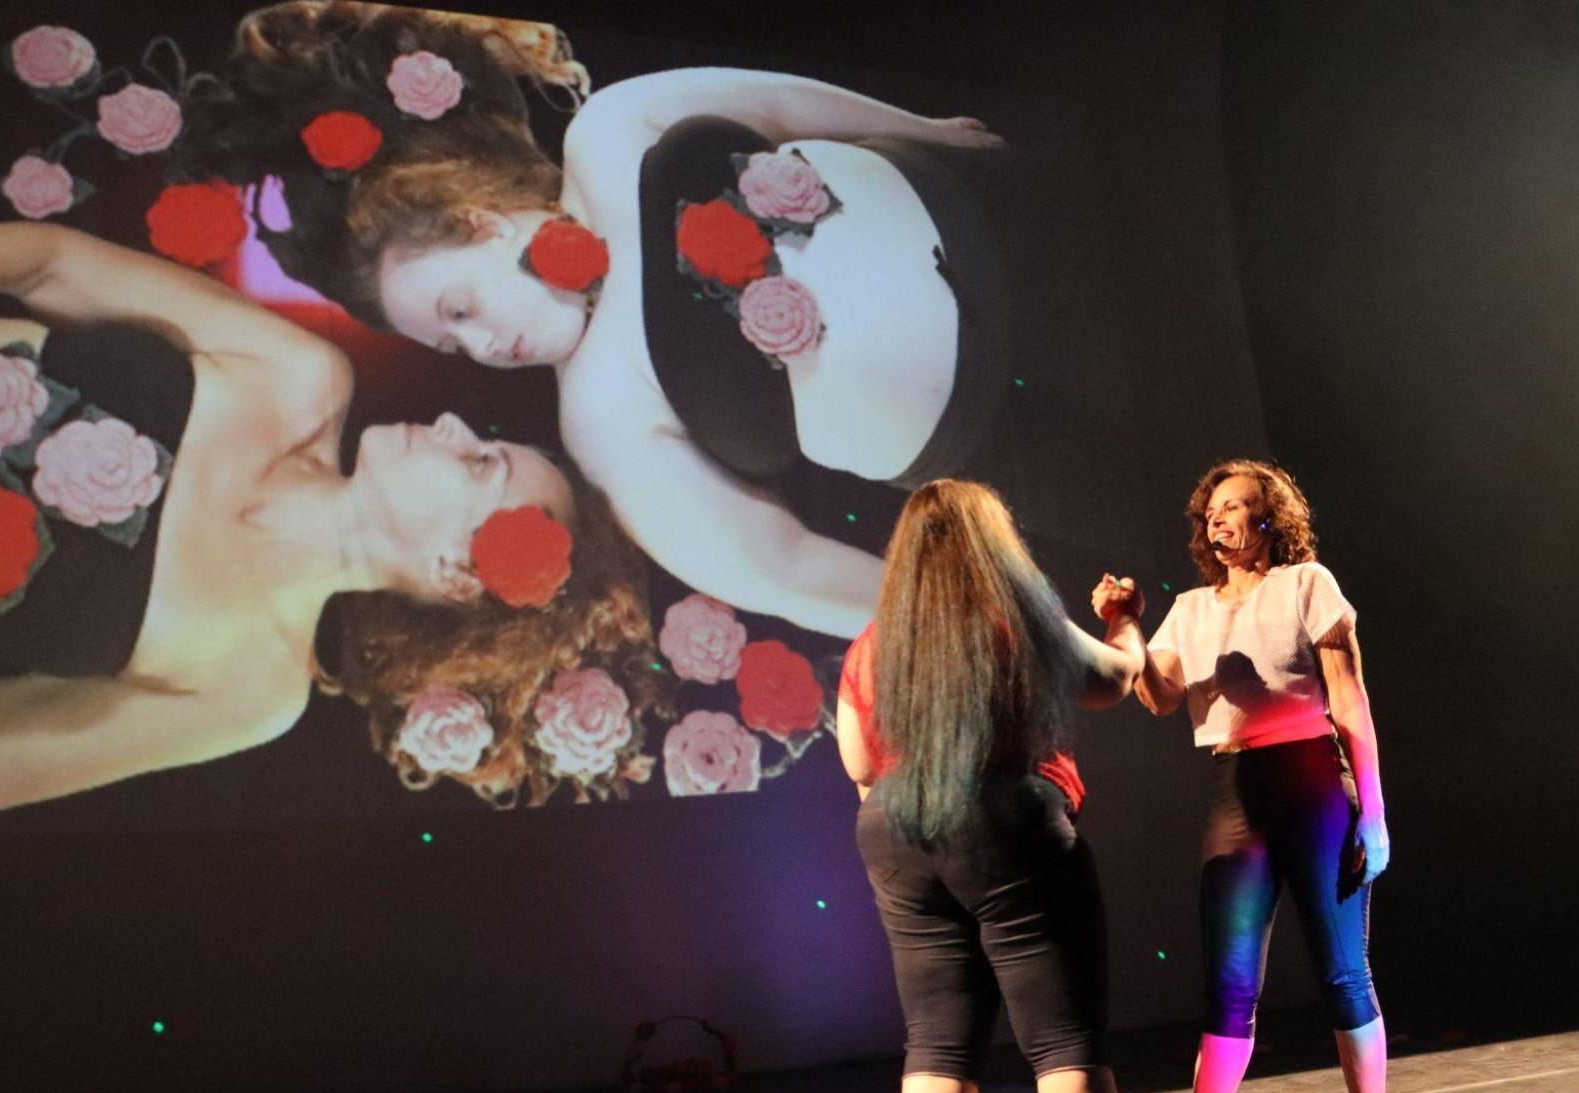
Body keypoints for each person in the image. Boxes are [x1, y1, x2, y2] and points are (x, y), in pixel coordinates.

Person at [0, 221, 657, 812]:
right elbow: (49, 262)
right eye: (483, 433)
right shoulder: (302, 379)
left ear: (458, 572)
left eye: (481, 461)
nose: (453, 423)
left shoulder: (252, 689)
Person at [178, 1, 1023, 639]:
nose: (481, 347)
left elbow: (781, 106)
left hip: (1008, 210)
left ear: (477, 221)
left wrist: (927, 131)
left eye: (459, 308)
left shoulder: (609, 134)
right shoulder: (596, 422)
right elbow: (782, 566)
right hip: (1017, 428)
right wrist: (979, 632)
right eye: (449, 342)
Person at [837, 479, 1160, 1093]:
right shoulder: (1018, 617)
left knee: (938, 1039)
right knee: (1060, 1037)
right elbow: (1113, 682)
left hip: (895, 826)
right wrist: (1124, 625)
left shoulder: (872, 643)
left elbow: (855, 762)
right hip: (1006, 822)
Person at [1110, 458, 1395, 1093]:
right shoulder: (1191, 609)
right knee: (1229, 984)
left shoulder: (1307, 584)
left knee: (1341, 971)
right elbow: (1157, 695)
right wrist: (1126, 626)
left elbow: (1348, 697)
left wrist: (1372, 809)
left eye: (1234, 505)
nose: (1217, 516)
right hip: (1236, 789)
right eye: (1210, 507)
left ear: (1270, 517)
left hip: (1310, 781)